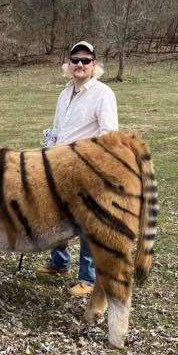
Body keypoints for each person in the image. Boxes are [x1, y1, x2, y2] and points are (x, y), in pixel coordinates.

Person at [37, 40, 118, 297]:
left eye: (85, 61)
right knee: (56, 216)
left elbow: (108, 135)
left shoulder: (103, 94)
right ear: (68, 65)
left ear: (94, 65)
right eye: (75, 60)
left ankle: (88, 278)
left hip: (87, 168)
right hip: (58, 166)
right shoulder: (65, 93)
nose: (80, 65)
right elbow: (58, 129)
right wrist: (47, 150)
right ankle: (59, 262)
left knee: (87, 224)